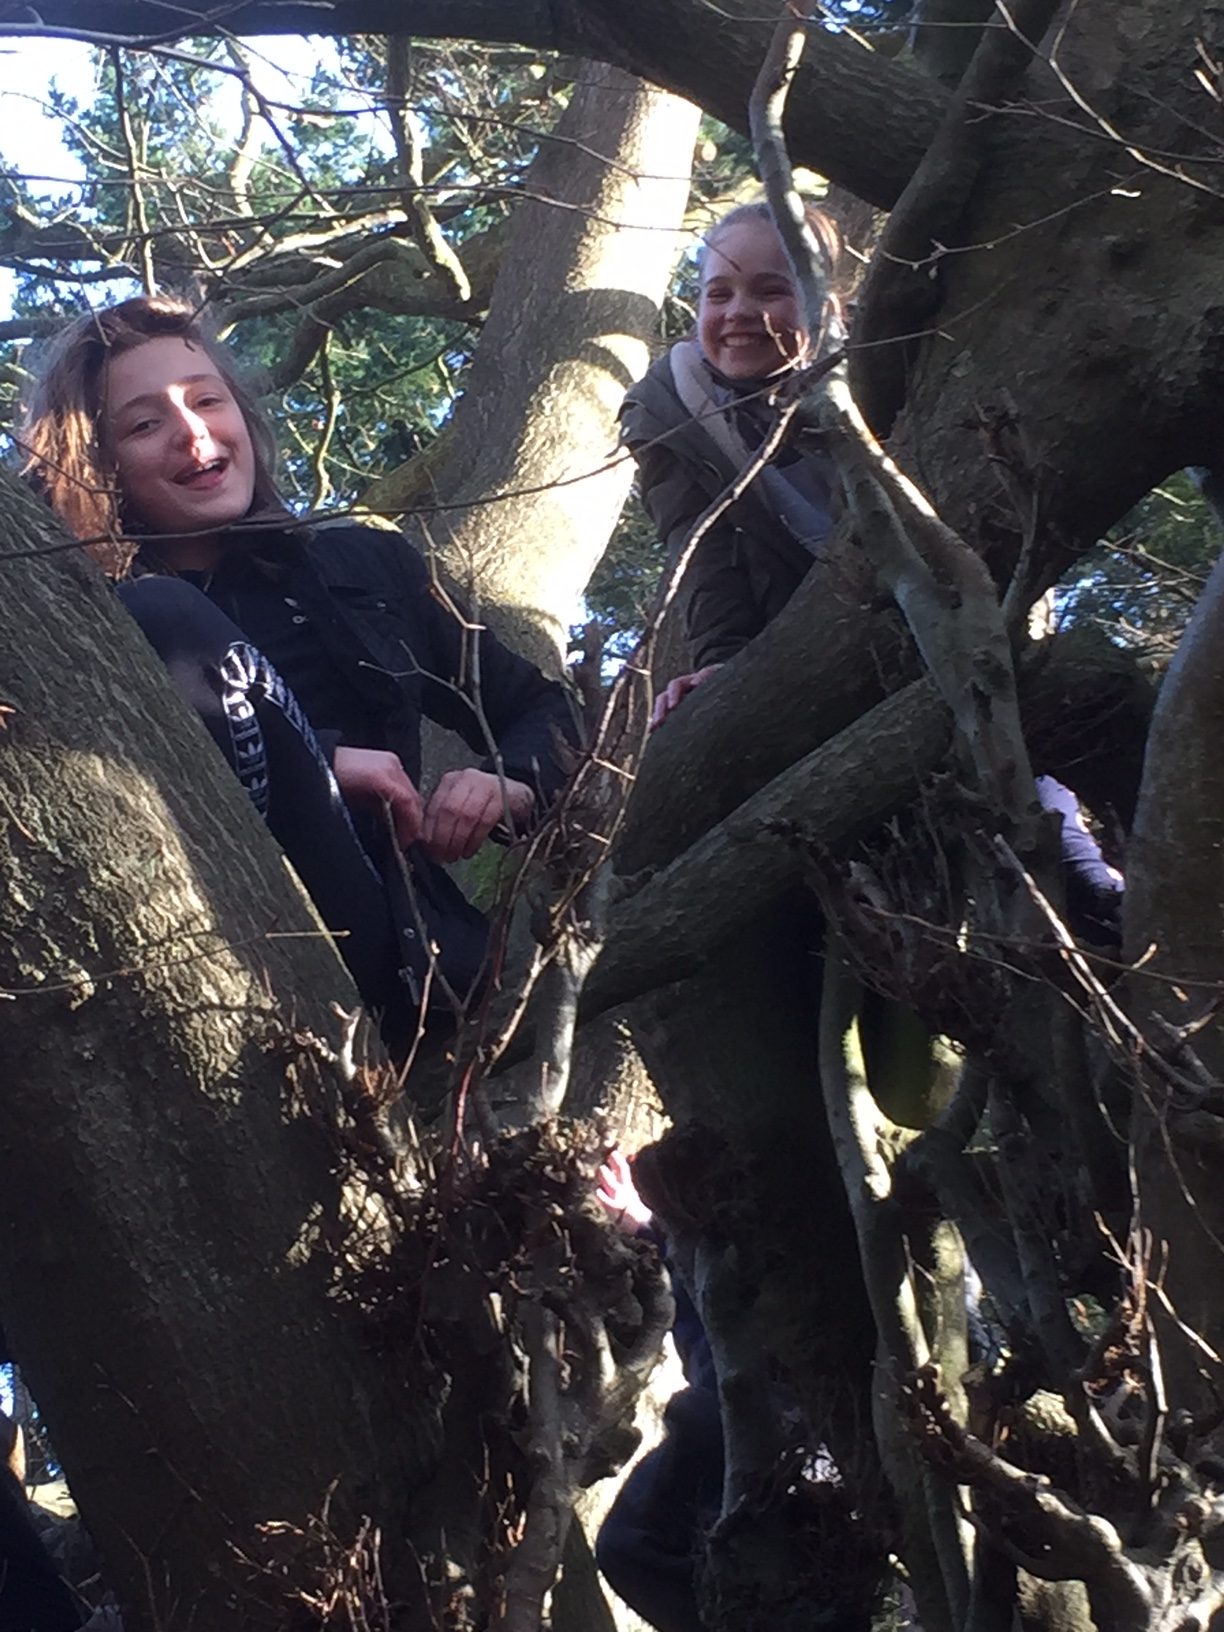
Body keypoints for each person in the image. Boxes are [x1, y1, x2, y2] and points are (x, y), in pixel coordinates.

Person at [20, 296, 578, 1043]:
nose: (193, 432)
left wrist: (507, 778)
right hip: (196, 920)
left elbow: (548, 708)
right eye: (145, 423)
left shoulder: (366, 566)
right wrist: (319, 758)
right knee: (166, 614)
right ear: (100, 461)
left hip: (388, 944)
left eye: (207, 400)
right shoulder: (87, 614)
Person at [620, 199, 843, 733]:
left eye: (771, 291)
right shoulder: (669, 406)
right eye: (718, 294)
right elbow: (699, 550)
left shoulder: (882, 368)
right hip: (797, 625)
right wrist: (722, 661)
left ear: (823, 306)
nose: (739, 312)